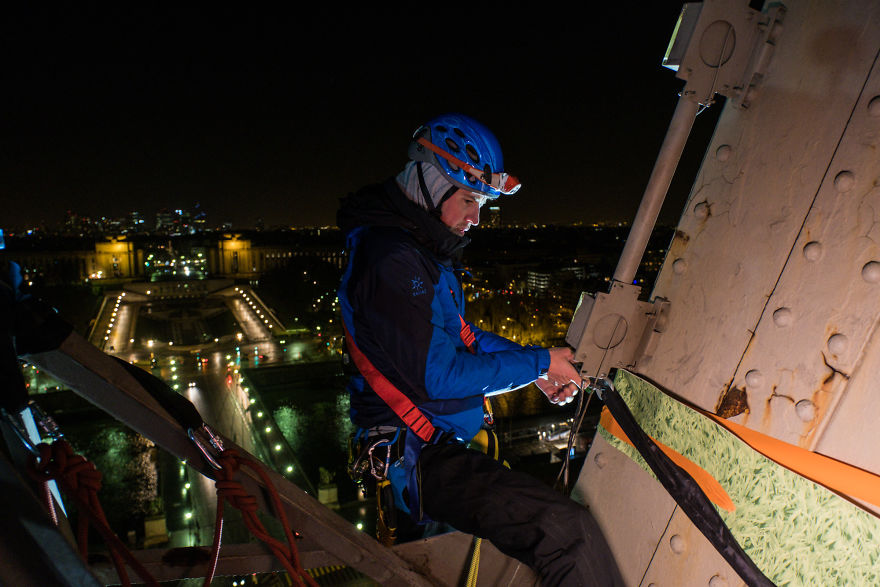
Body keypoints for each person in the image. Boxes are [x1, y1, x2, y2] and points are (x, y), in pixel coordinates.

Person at [337, 113, 623, 586]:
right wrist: (536, 361)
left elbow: (465, 337)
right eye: (469, 200)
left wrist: (539, 368)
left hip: (433, 449)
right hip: (422, 462)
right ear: (430, 183)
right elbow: (440, 375)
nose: (475, 218)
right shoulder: (392, 259)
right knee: (565, 533)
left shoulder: (421, 253)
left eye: (482, 206)